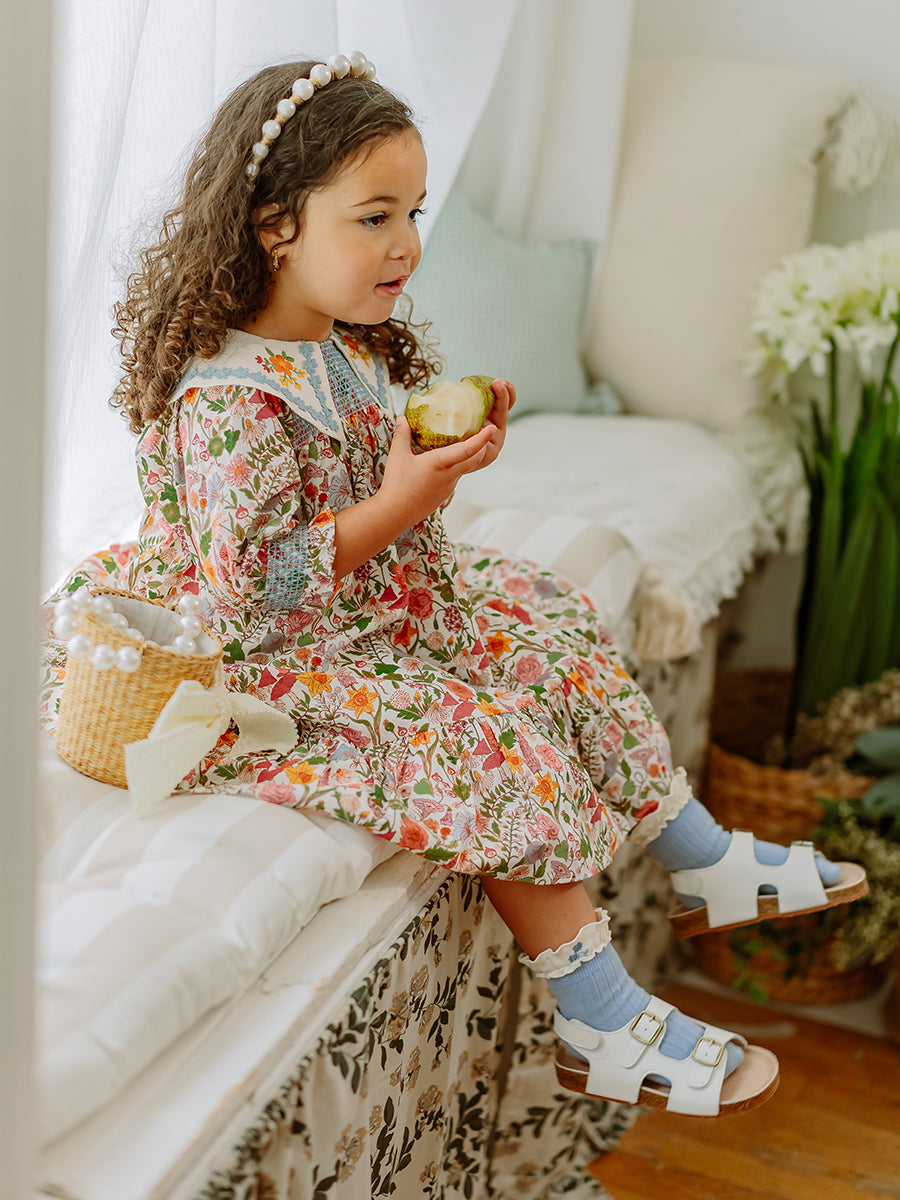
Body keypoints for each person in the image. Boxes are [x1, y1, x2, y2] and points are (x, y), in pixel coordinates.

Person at [55, 55, 866, 1118]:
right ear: (273, 228)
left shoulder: (333, 345)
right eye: (374, 217)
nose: (406, 243)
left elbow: (347, 474)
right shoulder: (227, 401)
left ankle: (699, 855)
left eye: (415, 213)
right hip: (264, 660)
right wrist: (404, 501)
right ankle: (600, 1017)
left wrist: (428, 445)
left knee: (548, 621)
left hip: (362, 608)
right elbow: (254, 589)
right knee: (487, 738)